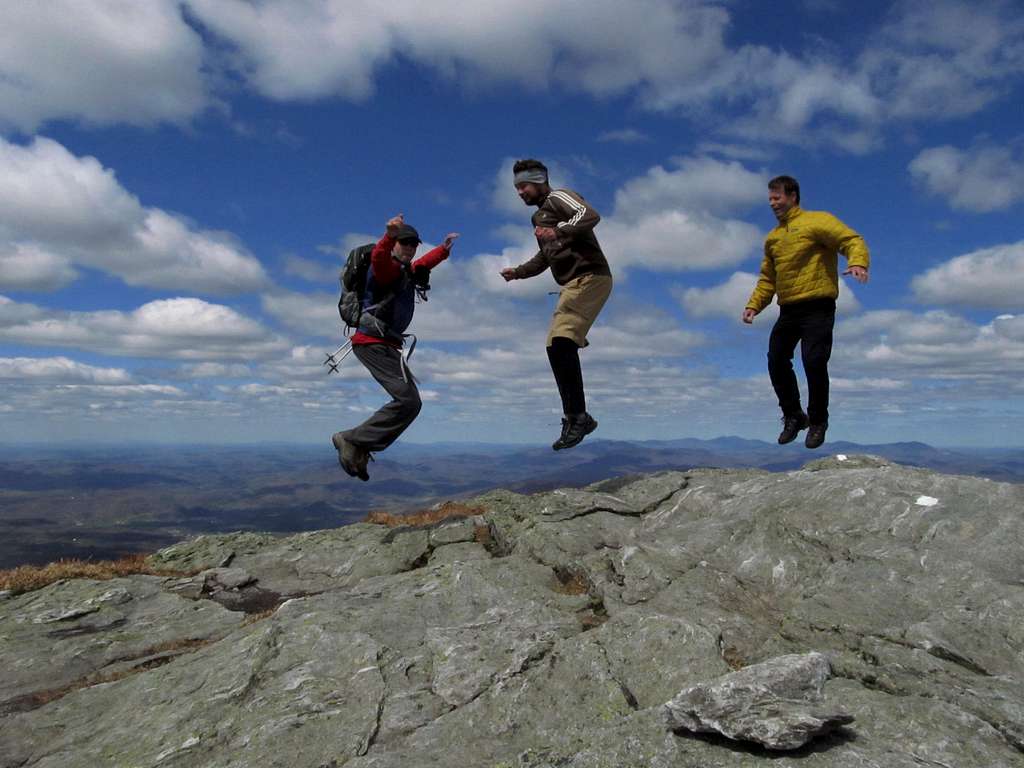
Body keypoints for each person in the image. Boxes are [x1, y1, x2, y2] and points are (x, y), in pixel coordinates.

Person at [742, 175, 870, 450]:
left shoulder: (817, 221)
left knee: (813, 361)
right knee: (776, 360)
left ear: (793, 196)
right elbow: (768, 279)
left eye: (777, 198)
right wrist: (754, 305)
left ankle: (818, 421)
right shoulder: (773, 239)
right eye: (770, 200)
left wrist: (858, 262)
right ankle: (793, 416)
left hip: (818, 305)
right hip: (788, 309)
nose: (773, 204)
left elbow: (850, 240)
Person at [333, 214, 458, 480]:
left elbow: (423, 263)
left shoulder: (405, 271)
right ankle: (352, 441)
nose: (410, 248)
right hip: (371, 343)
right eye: (405, 243)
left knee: (411, 403)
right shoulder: (385, 269)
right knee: (408, 400)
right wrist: (389, 236)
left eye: (414, 244)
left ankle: (359, 446)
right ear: (395, 245)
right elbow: (378, 258)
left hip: (386, 345)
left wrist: (443, 251)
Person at [500, 158, 613, 450]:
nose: (520, 192)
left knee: (561, 343)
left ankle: (578, 417)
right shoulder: (538, 219)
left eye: (523, 185)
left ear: (538, 180)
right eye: (516, 188)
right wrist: (518, 273)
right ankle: (575, 415)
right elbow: (546, 257)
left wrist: (558, 230)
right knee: (557, 346)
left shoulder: (559, 197)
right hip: (572, 284)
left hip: (590, 277)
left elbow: (588, 214)